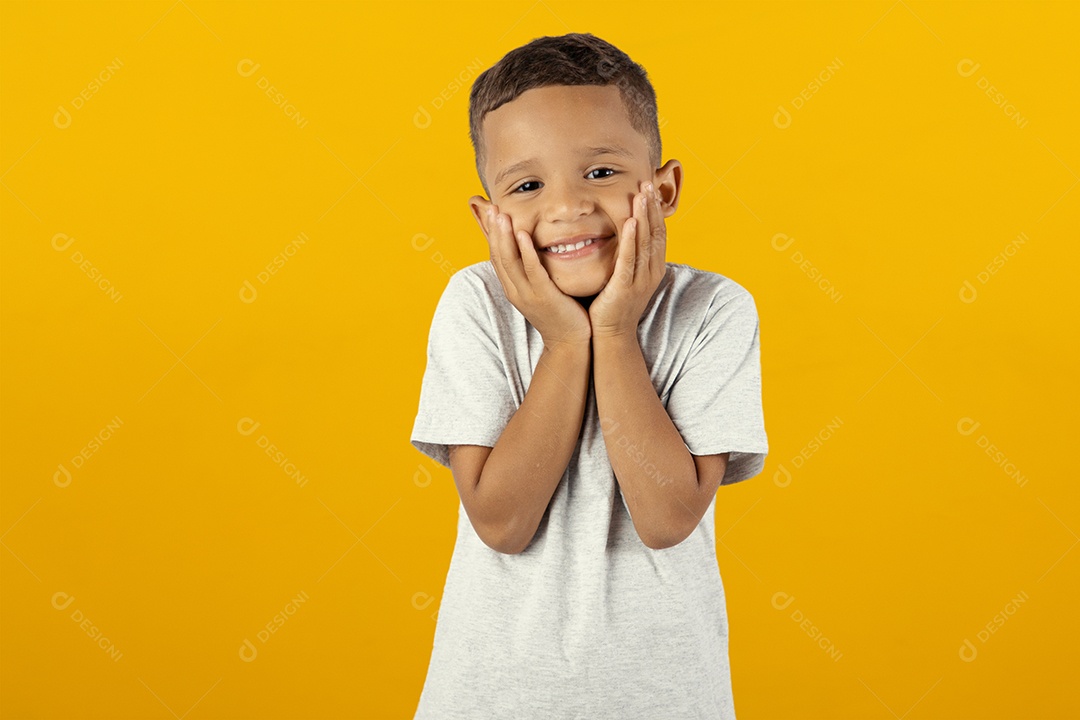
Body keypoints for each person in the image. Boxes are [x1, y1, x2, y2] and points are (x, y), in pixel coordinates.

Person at [409, 32, 768, 719]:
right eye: (527, 185)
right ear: (489, 218)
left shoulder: (713, 311)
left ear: (662, 190)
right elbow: (503, 520)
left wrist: (614, 331)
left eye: (600, 173)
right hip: (489, 702)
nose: (567, 206)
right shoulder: (474, 304)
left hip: (666, 701)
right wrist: (567, 344)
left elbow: (666, 517)